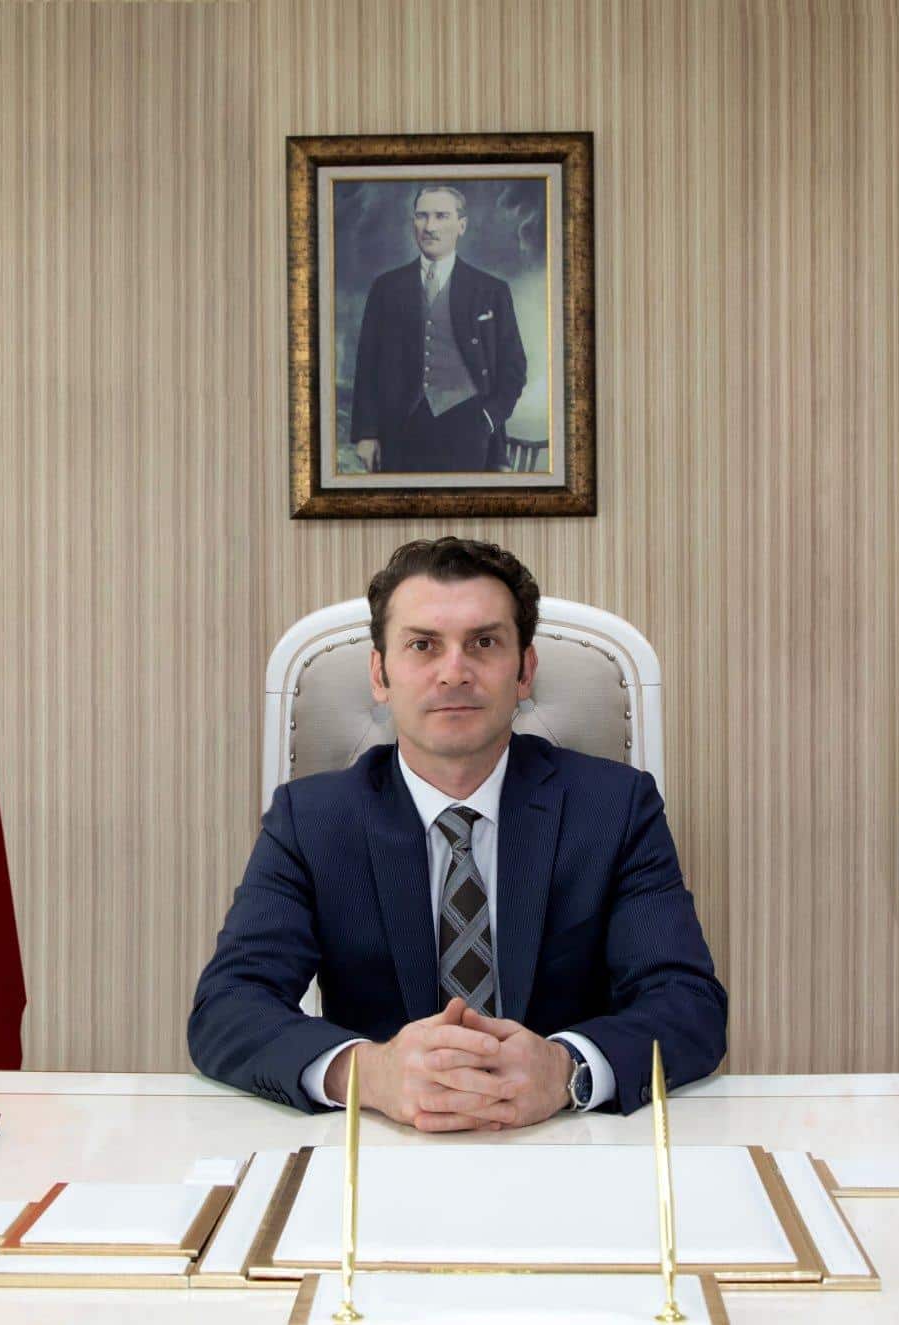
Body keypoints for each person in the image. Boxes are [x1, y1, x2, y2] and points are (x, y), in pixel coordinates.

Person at [188, 538, 726, 1130]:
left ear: (525, 671)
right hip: (380, 1140)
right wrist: (368, 1072)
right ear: (380, 674)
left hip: (568, 1137)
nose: (453, 673)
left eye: (484, 643)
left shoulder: (615, 808)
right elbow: (228, 1007)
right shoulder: (311, 819)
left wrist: (565, 1070)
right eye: (423, 645)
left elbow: (687, 1004)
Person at [350, 186, 527, 473]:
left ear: (461, 225)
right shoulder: (386, 288)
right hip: (399, 431)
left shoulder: (491, 291)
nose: (430, 227)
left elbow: (514, 367)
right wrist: (367, 433)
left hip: (469, 432)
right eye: (422, 216)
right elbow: (367, 365)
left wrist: (488, 418)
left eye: (441, 216)